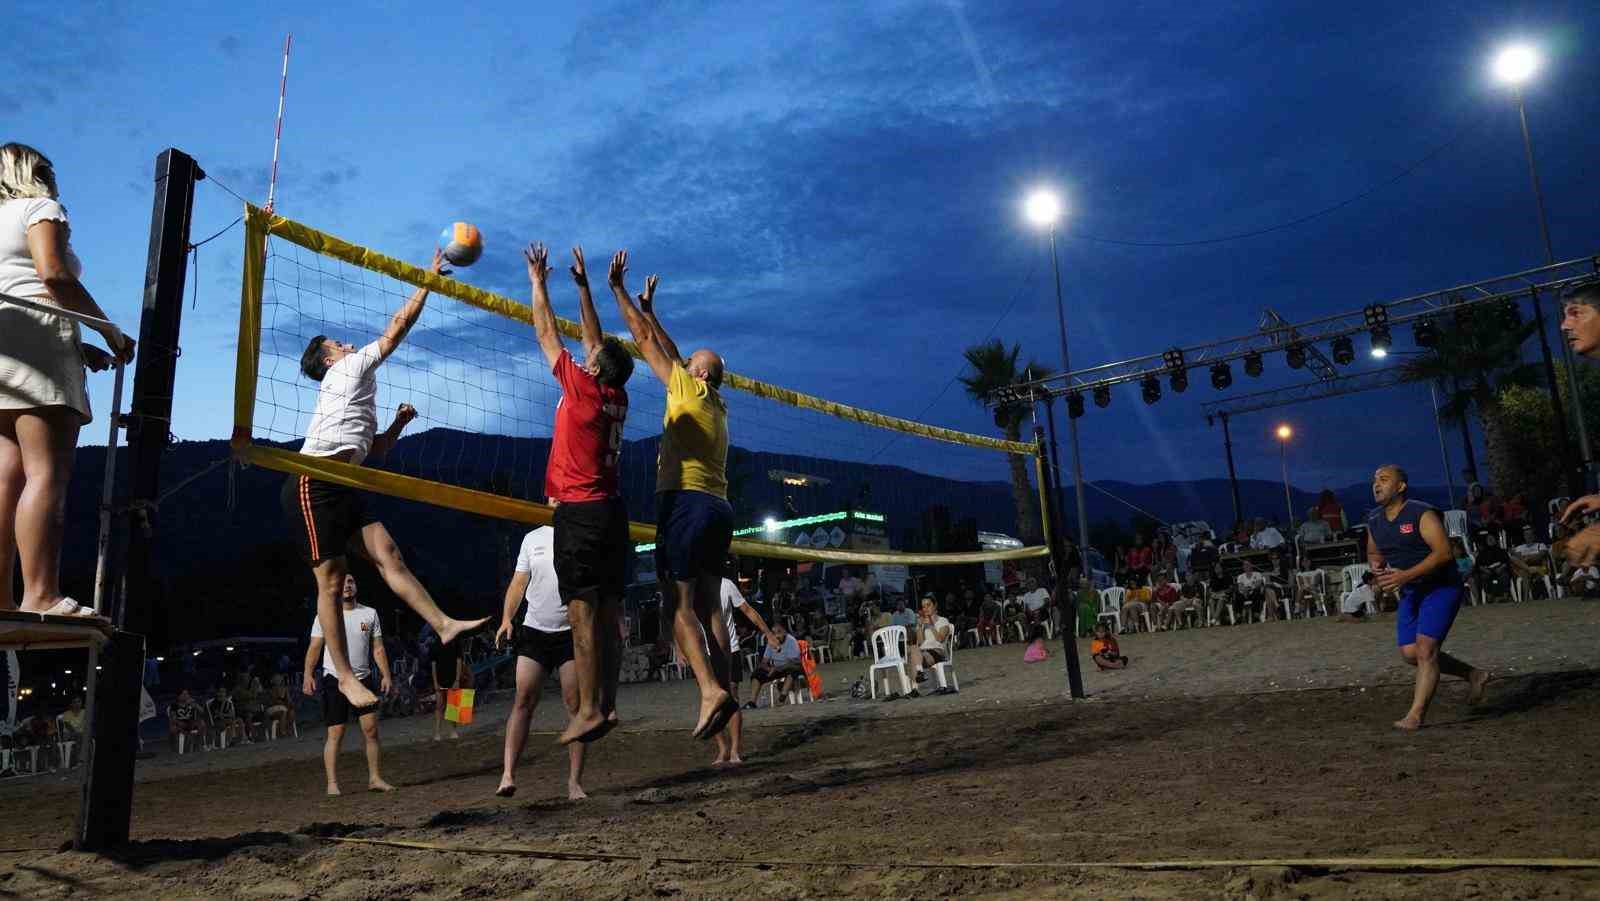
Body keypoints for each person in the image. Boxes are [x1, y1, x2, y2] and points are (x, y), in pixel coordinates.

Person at [282, 246, 487, 712]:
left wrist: (395, 427)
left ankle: (443, 623)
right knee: (332, 582)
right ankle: (346, 679)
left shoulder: (356, 386)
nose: (345, 343)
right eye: (336, 343)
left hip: (345, 478)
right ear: (329, 359)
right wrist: (428, 279)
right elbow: (396, 329)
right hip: (314, 482)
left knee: (388, 554)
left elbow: (374, 451)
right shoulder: (349, 369)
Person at [0, 143, 136, 618]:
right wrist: (107, 328)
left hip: (4, 349)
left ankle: (3, 597)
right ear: (37, 172)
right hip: (38, 347)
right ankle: (40, 593)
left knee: (6, 477)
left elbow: (13, 288)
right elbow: (52, 275)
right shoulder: (41, 208)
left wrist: (79, 347)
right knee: (46, 474)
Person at [608, 250, 736, 740]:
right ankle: (725, 687)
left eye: (688, 365)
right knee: (709, 606)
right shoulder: (717, 404)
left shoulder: (687, 387)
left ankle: (708, 690)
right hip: (719, 507)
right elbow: (670, 347)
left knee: (676, 607)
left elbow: (644, 342)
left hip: (685, 503)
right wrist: (654, 310)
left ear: (696, 375)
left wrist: (619, 292)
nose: (679, 364)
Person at [523, 244, 635, 746]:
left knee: (583, 618)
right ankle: (606, 706)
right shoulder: (616, 393)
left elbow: (547, 333)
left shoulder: (585, 391)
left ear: (592, 369)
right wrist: (585, 286)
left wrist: (538, 283)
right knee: (609, 616)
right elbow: (596, 340)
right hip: (613, 514)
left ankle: (588, 709)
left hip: (583, 516)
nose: (585, 351)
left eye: (589, 356)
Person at [1367, 464, 1490, 730]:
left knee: (1425, 649)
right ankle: (1473, 674)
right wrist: (1378, 571)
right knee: (1410, 653)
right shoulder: (1374, 521)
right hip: (1411, 591)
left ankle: (1416, 715)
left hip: (1441, 587)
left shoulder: (1420, 513)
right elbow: (1374, 554)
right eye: (1375, 481)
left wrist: (1404, 576)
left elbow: (1445, 553)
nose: (1376, 484)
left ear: (1401, 486)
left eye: (1384, 480)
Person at [494, 523, 588, 800]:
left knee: (575, 705)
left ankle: (574, 784)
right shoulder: (532, 538)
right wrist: (506, 619)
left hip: (570, 632)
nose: (557, 498)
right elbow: (518, 583)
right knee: (523, 700)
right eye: (552, 494)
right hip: (535, 632)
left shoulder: (579, 531)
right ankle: (507, 775)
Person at [305, 574, 394, 794]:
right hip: (335, 679)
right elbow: (314, 648)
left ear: (356, 587)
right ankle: (332, 784)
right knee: (336, 732)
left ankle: (374, 778)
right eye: (343, 582)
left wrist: (386, 675)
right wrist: (308, 674)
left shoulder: (369, 613)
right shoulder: (325, 614)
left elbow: (378, 648)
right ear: (336, 587)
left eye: (351, 581)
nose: (347, 585)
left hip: (363, 679)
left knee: (371, 731)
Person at [714, 567, 774, 765]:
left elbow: (748, 610)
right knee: (712, 701)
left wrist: (769, 634)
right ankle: (722, 748)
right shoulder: (693, 587)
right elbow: (682, 617)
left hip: (729, 648)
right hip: (706, 651)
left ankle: (734, 750)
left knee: (732, 696)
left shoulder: (726, 584)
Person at [429, 622, 469, 741]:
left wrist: (457, 679)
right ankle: (437, 732)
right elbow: (433, 665)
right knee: (439, 706)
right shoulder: (435, 643)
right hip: (440, 677)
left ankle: (453, 731)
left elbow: (459, 662)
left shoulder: (455, 641)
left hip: (453, 677)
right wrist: (435, 681)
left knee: (454, 707)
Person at [748, 622, 805, 706]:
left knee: (793, 670)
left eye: (779, 632)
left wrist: (776, 668)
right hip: (776, 669)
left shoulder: (791, 641)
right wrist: (769, 669)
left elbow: (794, 661)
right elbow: (764, 662)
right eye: (774, 633)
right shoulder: (771, 642)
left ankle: (782, 698)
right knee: (756, 674)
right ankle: (752, 702)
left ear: (784, 632)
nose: (776, 635)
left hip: (789, 667)